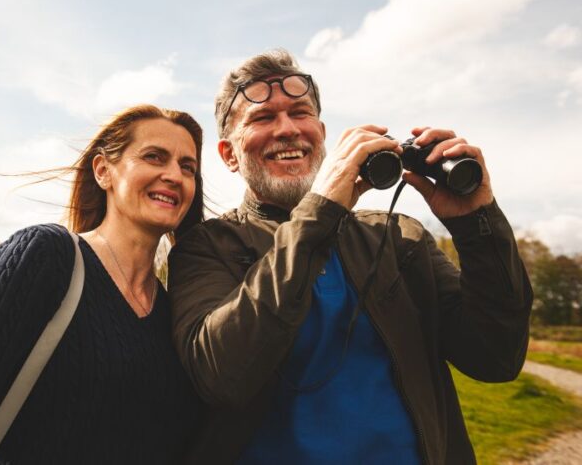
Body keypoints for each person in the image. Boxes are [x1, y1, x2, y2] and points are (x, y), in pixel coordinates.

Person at [168, 50, 532, 464]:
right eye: (263, 118)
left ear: (322, 134)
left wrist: (477, 225)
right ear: (229, 155)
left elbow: (496, 358)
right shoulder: (207, 247)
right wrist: (319, 214)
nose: (287, 129)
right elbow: (221, 376)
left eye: (300, 113)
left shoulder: (399, 238)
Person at [0, 104, 204, 464]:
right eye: (154, 157)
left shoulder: (175, 311)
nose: (174, 175)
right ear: (103, 171)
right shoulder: (46, 256)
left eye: (187, 167)